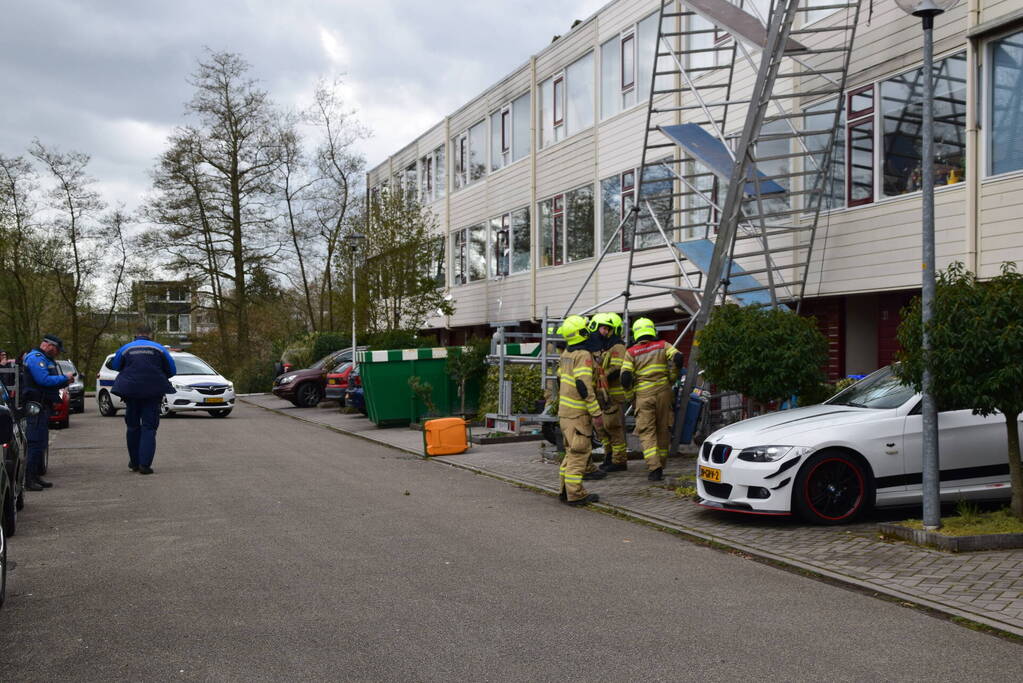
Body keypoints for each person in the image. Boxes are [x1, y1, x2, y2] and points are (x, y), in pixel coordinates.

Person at [621, 317, 683, 481]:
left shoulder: (631, 352)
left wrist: (630, 398)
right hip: (664, 392)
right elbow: (678, 358)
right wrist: (672, 378)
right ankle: (661, 464)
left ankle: (654, 468)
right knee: (663, 429)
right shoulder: (663, 345)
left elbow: (625, 379)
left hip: (643, 394)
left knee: (647, 432)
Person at [111, 324, 176, 474]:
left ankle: (134, 462)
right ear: (150, 335)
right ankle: (144, 465)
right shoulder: (160, 348)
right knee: (149, 427)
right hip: (152, 394)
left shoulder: (126, 348)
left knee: (133, 427)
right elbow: (172, 370)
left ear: (136, 335)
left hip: (131, 393)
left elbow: (115, 365)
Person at [555, 315, 604, 506]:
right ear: (581, 333)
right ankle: (576, 494)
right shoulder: (582, 355)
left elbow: (560, 379)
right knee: (580, 453)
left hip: (565, 413)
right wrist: (596, 412)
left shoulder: (566, 353)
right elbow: (584, 387)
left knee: (570, 453)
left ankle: (564, 491)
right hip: (578, 414)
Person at [21, 335, 73, 490]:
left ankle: (35, 476)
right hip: (36, 406)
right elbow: (43, 380)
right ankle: (29, 480)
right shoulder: (36, 358)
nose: (57, 353)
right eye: (56, 349)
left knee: (41, 443)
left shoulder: (43, 358)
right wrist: (64, 378)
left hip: (43, 406)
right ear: (49, 345)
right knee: (35, 442)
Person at [589, 313, 631, 473]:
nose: (604, 332)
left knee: (613, 427)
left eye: (607, 329)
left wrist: (602, 375)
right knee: (601, 428)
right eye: (602, 328)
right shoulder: (603, 347)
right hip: (602, 395)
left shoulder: (617, 346)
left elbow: (617, 369)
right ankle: (609, 456)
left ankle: (619, 460)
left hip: (614, 395)